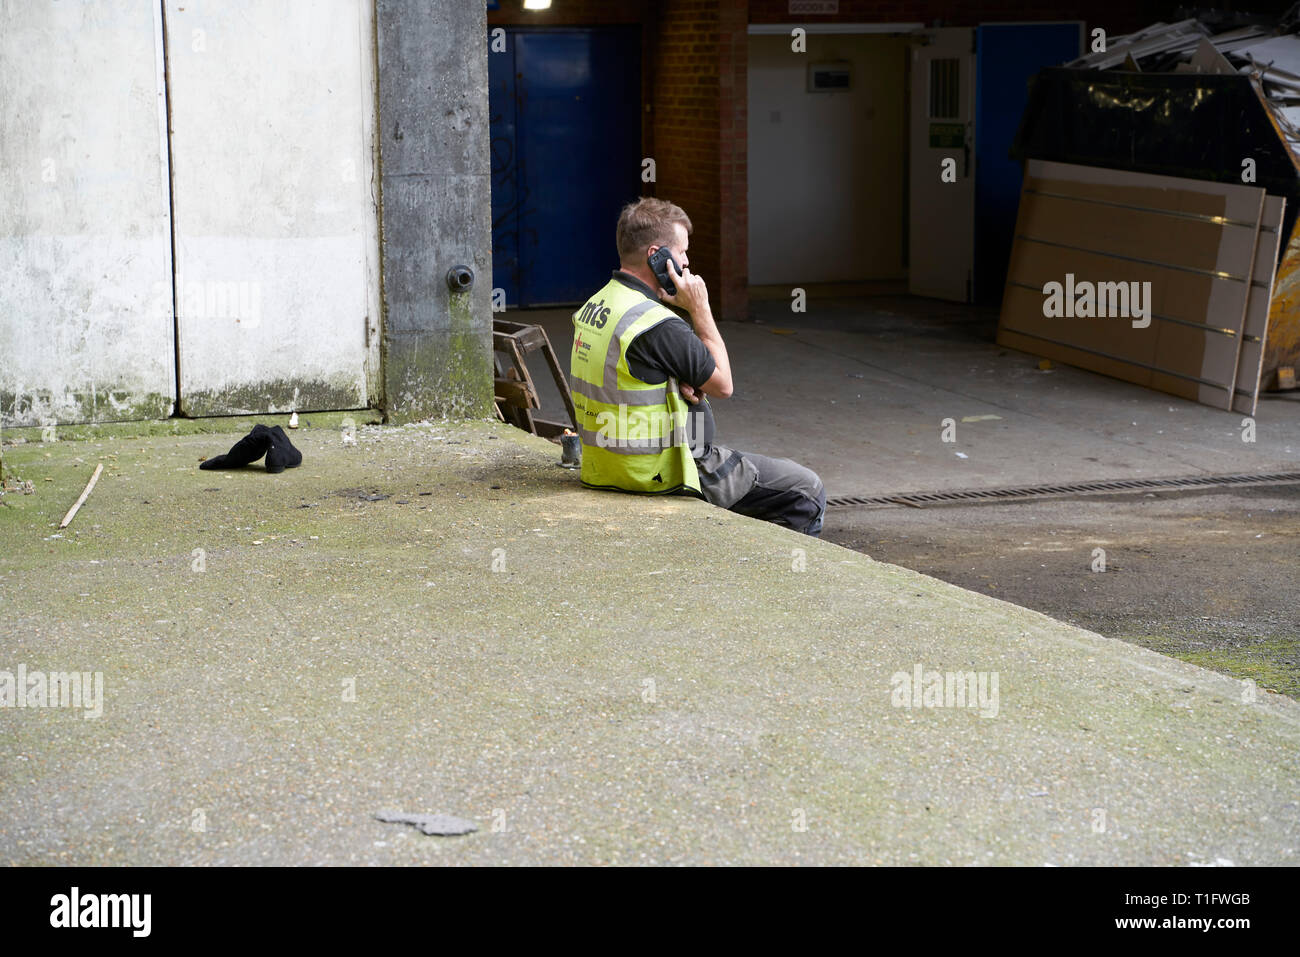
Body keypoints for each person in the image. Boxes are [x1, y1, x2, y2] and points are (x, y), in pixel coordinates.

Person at [569, 197, 825, 537]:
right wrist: (699, 309)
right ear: (657, 256)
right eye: (683, 252)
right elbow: (723, 385)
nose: (687, 263)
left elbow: (632, 374)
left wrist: (677, 380)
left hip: (606, 467)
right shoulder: (656, 323)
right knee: (805, 490)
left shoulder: (596, 305)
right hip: (665, 470)